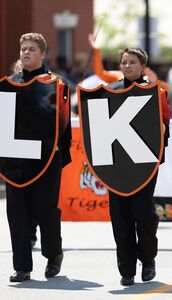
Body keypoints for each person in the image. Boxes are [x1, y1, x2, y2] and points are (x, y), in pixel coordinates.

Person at [6, 32, 72, 282]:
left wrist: (58, 154)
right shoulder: (7, 85)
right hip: (15, 159)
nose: (25, 53)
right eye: (23, 49)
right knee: (17, 212)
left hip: (47, 157)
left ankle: (53, 254)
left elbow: (63, 124)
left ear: (43, 54)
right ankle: (22, 266)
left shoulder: (55, 83)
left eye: (32, 49)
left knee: (45, 210)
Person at [106, 47, 170, 286]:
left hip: (145, 164)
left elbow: (164, 125)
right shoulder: (109, 92)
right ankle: (126, 270)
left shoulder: (155, 91)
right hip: (116, 165)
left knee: (143, 215)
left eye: (132, 62)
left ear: (142, 66)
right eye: (124, 62)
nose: (127, 66)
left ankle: (148, 260)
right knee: (120, 216)